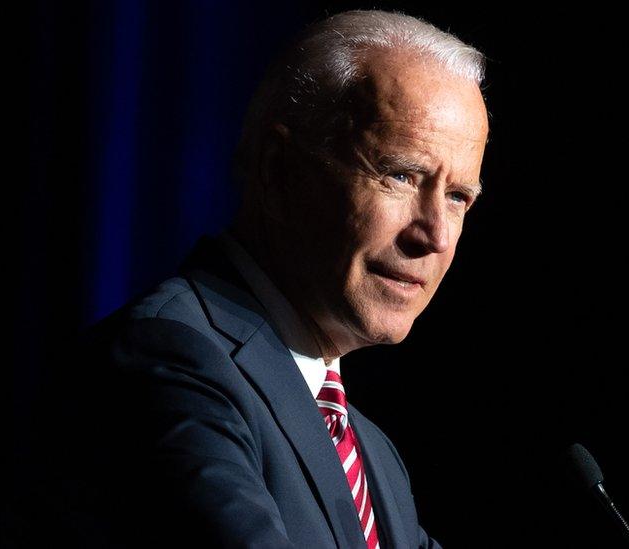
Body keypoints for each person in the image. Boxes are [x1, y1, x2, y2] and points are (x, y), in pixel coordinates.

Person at [32, 9, 489, 549]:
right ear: (279, 171)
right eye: (400, 175)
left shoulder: (374, 457)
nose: (434, 235)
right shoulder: (169, 361)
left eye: (458, 197)